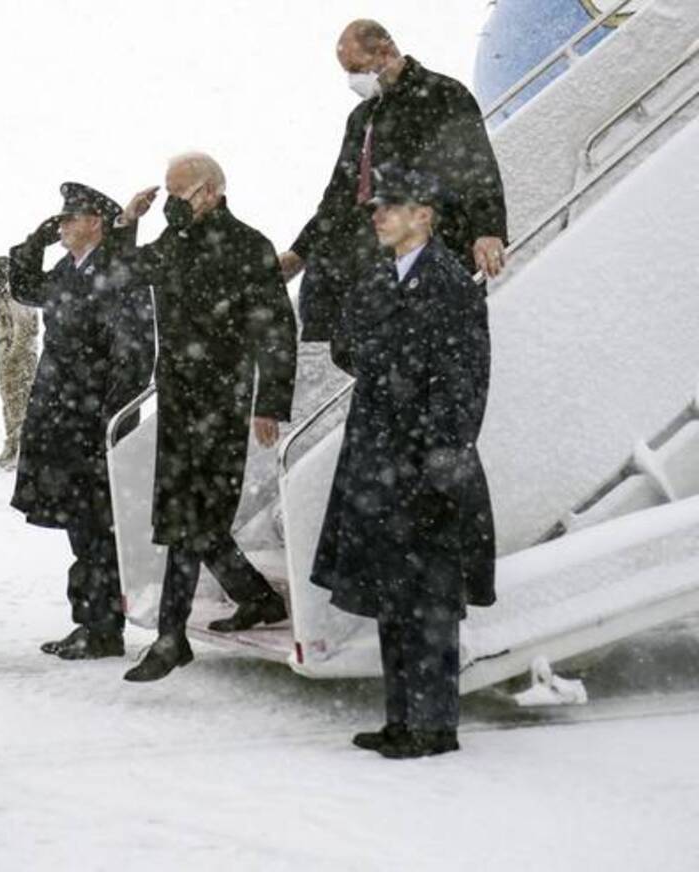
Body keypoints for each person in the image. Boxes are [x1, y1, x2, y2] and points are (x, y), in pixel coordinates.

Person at [310, 168, 496, 758]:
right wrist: (383, 365)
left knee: (432, 600)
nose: (378, 216)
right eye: (377, 208)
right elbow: (345, 343)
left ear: (425, 216)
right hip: (378, 454)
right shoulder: (377, 278)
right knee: (394, 594)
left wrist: (443, 456)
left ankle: (435, 726)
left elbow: (466, 380)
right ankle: (400, 719)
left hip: (425, 461)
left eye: (391, 208)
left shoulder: (451, 285)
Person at [118, 153, 298, 683]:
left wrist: (269, 402)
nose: (174, 203)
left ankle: (171, 638)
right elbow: (127, 274)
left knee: (194, 518)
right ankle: (258, 598)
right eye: (169, 194)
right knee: (189, 517)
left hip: (224, 399)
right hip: (177, 397)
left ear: (213, 191)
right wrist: (130, 222)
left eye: (183, 193)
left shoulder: (248, 245)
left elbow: (275, 329)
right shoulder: (173, 243)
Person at [278, 19, 507, 366]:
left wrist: (488, 230)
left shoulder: (442, 93)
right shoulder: (362, 119)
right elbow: (339, 196)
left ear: (384, 50)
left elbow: (476, 165)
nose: (353, 80)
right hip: (376, 252)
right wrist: (298, 253)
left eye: (356, 69)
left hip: (433, 237)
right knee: (349, 342)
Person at [8, 182, 155, 661]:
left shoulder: (115, 272)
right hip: (60, 414)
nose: (63, 225)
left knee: (97, 530)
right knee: (80, 527)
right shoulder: (68, 271)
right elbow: (23, 285)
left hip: (92, 419)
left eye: (70, 218)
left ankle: (102, 627)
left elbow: (133, 354)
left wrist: (110, 419)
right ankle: (88, 623)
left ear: (95, 222)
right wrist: (37, 237)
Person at [0, 255, 39, 470]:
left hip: (20, 360)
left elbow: (24, 331)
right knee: (10, 407)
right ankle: (10, 450)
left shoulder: (18, 296)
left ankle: (22, 454)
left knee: (21, 406)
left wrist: (11, 357)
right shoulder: (3, 298)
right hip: (8, 359)